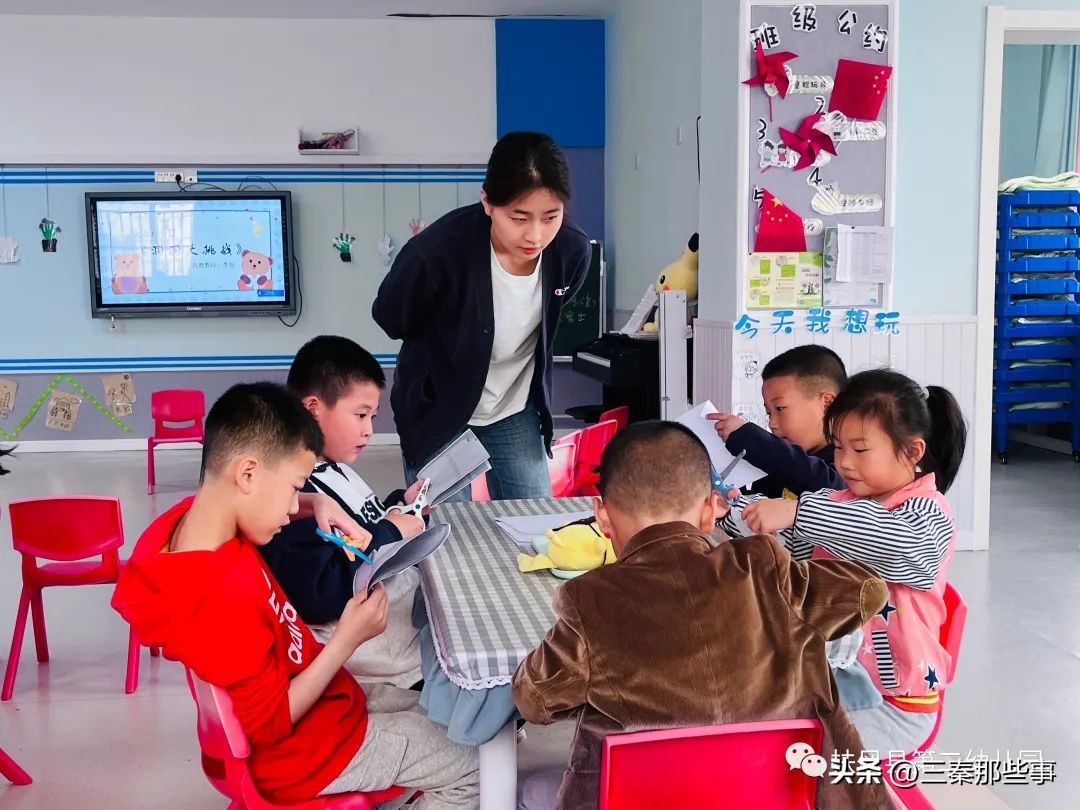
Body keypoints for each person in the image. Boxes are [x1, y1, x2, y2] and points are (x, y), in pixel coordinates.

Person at [112, 383, 478, 808]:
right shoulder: (219, 598)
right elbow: (271, 724)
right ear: (247, 474)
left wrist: (314, 502)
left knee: (449, 717)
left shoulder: (189, 530)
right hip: (306, 755)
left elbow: (249, 503)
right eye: (293, 487)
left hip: (328, 707)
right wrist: (347, 640)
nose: (291, 508)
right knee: (473, 764)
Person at [513, 421, 891, 810]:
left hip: (643, 799)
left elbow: (535, 700)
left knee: (530, 791)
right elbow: (870, 590)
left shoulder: (589, 599)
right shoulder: (763, 567)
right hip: (777, 797)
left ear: (602, 517)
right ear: (711, 510)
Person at [720, 369, 967, 756]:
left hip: (895, 705)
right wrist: (737, 516)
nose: (845, 463)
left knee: (787, 757)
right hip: (831, 687)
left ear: (912, 451)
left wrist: (799, 511)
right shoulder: (838, 503)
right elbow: (796, 553)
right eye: (838, 447)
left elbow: (901, 548)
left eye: (860, 449)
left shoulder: (927, 512)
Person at [373, 131, 591, 500]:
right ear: (487, 202)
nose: (535, 235)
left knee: (533, 517)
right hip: (440, 411)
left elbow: (550, 313)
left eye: (550, 216)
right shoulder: (438, 252)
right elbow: (390, 317)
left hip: (514, 409)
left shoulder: (571, 251)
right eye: (519, 217)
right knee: (445, 523)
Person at [260, 335, 427, 688]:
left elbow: (364, 521)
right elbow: (321, 592)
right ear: (312, 409)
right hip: (382, 654)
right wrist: (391, 531)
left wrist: (402, 506)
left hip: (399, 621)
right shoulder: (292, 496)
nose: (369, 430)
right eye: (360, 415)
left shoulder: (332, 467)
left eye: (372, 417)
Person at [708, 344, 847, 498]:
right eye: (769, 413)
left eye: (780, 408)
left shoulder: (849, 464)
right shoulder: (777, 466)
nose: (771, 423)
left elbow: (828, 487)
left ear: (827, 404)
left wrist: (747, 437)